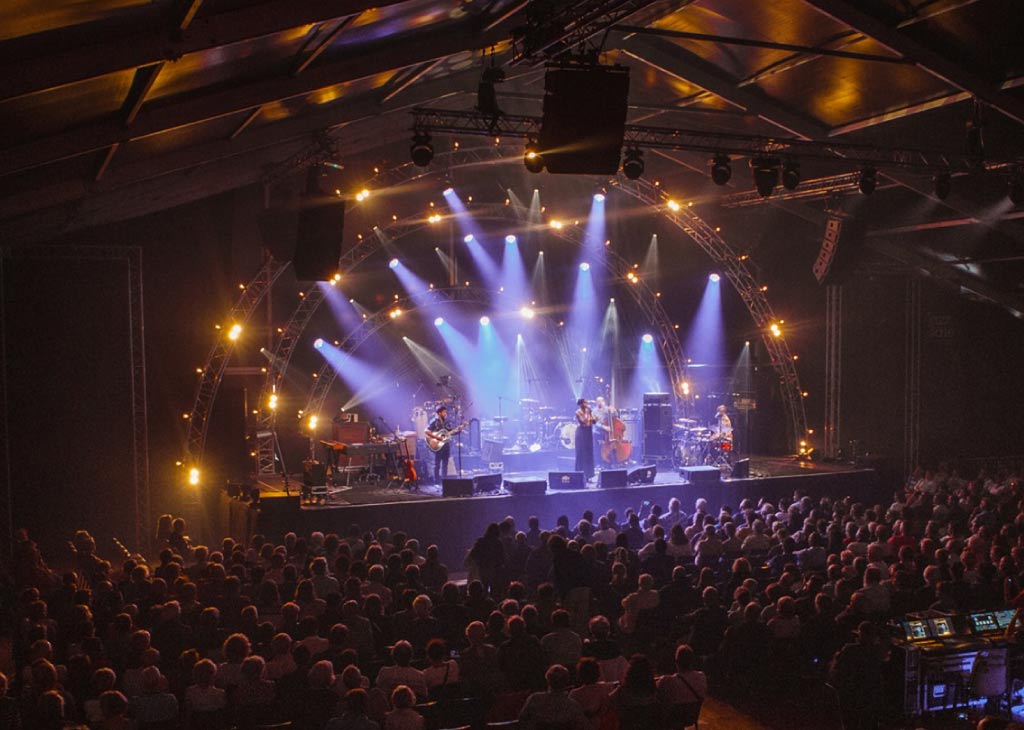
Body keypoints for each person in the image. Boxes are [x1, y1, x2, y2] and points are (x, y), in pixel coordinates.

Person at [518, 664, 588, 730]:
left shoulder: (534, 699)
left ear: (547, 679)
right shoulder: (572, 706)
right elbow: (583, 726)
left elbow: (522, 719)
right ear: (566, 681)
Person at [424, 406, 454, 484]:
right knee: (437, 464)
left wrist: (458, 430)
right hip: (437, 445)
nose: (445, 413)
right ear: (439, 413)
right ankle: (436, 481)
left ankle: (445, 481)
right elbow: (426, 431)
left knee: (445, 464)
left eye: (445, 412)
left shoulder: (446, 422)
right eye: (444, 412)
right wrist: (437, 437)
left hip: (446, 445)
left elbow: (450, 431)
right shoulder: (434, 421)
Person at [575, 399, 596, 481]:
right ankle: (580, 475)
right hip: (581, 434)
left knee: (588, 454)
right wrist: (589, 414)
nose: (587, 404)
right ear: (581, 404)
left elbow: (594, 421)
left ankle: (589, 475)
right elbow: (584, 421)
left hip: (588, 433)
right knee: (581, 454)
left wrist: (590, 414)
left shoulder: (589, 412)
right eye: (585, 402)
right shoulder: (578, 412)